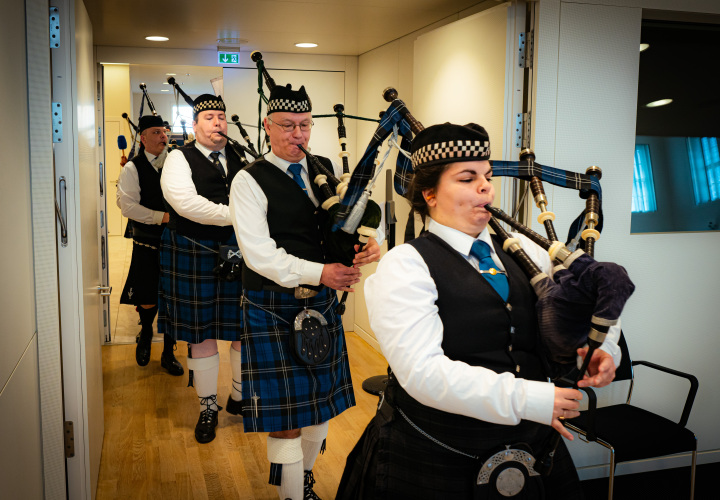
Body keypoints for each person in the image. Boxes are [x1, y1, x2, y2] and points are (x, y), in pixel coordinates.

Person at [336, 123, 621, 499]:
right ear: (429, 193)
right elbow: (423, 373)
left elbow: (593, 302)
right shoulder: (405, 265)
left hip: (531, 441)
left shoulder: (526, 249)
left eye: (487, 176)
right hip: (438, 448)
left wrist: (602, 348)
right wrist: (530, 398)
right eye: (468, 178)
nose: (486, 187)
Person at [229, 83, 382, 500]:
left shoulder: (324, 169)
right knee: (287, 418)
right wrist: (321, 273)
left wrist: (371, 243)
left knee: (320, 407)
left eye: (305, 126)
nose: (298, 135)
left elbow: (350, 220)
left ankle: (306, 479)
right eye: (288, 126)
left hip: (321, 305)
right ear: (268, 126)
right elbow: (259, 254)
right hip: (272, 307)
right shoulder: (248, 180)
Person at [158, 94, 246, 444]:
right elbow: (185, 202)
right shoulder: (179, 157)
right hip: (194, 252)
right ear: (195, 125)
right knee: (202, 334)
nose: (218, 123)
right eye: (209, 117)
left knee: (244, 330)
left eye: (221, 116)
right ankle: (208, 407)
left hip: (241, 252)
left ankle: (239, 397)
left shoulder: (241, 156)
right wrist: (238, 216)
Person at [117, 114, 183, 376]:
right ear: (143, 138)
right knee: (146, 294)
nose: (163, 137)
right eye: (156, 132)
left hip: (176, 241)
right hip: (147, 240)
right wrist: (162, 217)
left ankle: (168, 351)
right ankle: (146, 333)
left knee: (173, 297)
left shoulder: (178, 164)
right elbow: (127, 206)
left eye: (164, 132)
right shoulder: (132, 168)